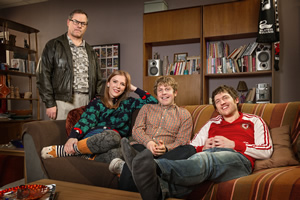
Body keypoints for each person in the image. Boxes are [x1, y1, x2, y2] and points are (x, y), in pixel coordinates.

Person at [121, 85, 273, 200]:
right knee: (199, 164)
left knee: (206, 159)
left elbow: (266, 150)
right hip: (206, 157)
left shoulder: (254, 120)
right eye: (218, 101)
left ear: (236, 100)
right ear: (216, 108)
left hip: (239, 160)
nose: (222, 103)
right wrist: (203, 147)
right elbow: (192, 147)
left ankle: (153, 166)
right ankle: (159, 190)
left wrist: (232, 144)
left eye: (225, 98)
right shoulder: (212, 123)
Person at [41, 70, 158, 163]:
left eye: (122, 84)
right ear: (108, 83)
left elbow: (153, 102)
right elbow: (86, 120)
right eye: (115, 82)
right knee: (114, 136)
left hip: (115, 142)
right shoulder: (97, 102)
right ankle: (72, 150)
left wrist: (134, 89)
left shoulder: (129, 102)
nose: (118, 86)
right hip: (97, 136)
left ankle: (88, 157)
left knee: (121, 153)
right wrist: (73, 137)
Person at [109, 76, 196, 192]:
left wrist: (166, 148)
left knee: (189, 149)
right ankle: (143, 167)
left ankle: (150, 165)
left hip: (167, 154)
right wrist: (148, 143)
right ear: (156, 94)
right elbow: (137, 130)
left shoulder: (184, 114)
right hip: (142, 147)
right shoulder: (146, 108)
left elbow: (182, 140)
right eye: (160, 90)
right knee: (136, 154)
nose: (164, 93)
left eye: (167, 89)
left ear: (175, 93)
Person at [36, 9, 102, 120]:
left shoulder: (90, 51)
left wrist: (97, 102)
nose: (79, 26)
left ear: (86, 26)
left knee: (84, 136)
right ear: (68, 22)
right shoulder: (54, 45)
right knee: (62, 135)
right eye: (76, 21)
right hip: (63, 101)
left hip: (87, 101)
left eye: (83, 23)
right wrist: (49, 103)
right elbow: (43, 75)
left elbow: (98, 80)